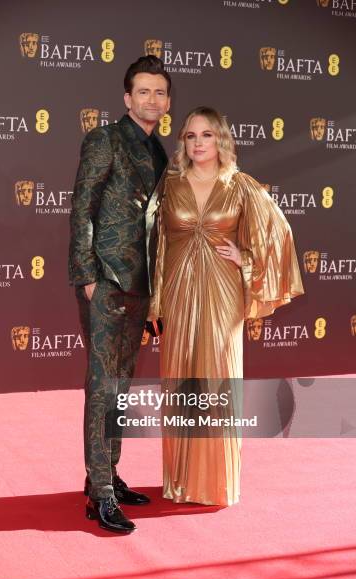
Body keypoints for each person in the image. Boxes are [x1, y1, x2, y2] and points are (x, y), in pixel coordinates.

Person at [148, 107, 304, 506]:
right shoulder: (170, 184)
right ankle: (180, 479)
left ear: (221, 140)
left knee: (218, 378)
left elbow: (278, 235)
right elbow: (159, 245)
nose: (198, 143)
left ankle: (216, 481)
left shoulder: (240, 185)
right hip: (180, 293)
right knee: (181, 376)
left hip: (222, 294)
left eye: (207, 135)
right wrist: (155, 302)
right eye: (190, 136)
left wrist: (245, 258)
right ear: (183, 142)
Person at [68, 55, 171, 533]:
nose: (152, 99)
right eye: (143, 91)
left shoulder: (161, 152)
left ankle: (107, 475)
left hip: (141, 286)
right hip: (106, 281)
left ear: (167, 102)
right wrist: (87, 274)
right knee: (103, 385)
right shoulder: (104, 139)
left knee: (122, 388)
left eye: (160, 92)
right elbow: (82, 207)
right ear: (127, 98)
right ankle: (101, 494)